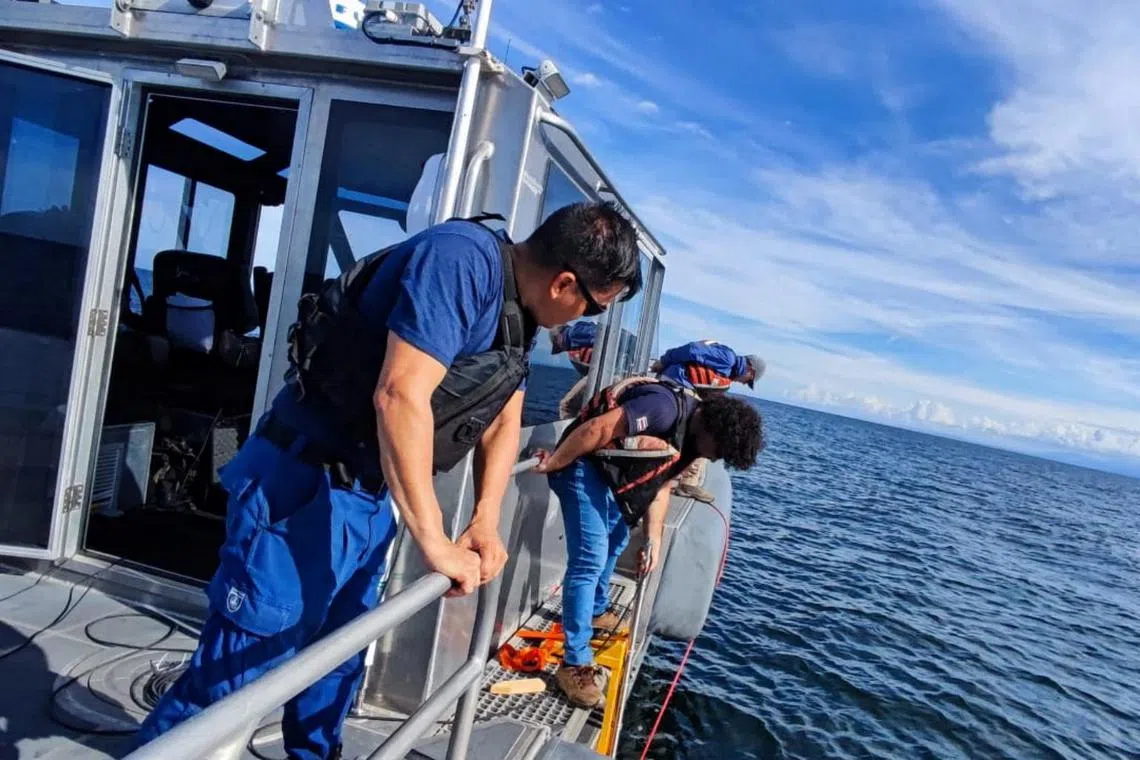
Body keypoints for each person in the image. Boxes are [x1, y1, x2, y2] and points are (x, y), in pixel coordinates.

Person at [131, 202, 642, 760]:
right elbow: (399, 395)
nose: (582, 320)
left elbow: (504, 412)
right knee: (237, 673)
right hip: (302, 488)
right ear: (565, 282)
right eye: (593, 305)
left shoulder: (520, 314)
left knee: (335, 664)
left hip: (368, 503)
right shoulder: (459, 262)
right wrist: (433, 543)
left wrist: (484, 519)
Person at [531, 376, 764, 708]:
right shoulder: (663, 408)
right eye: (719, 452)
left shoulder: (692, 440)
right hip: (580, 462)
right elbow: (597, 430)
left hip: (609, 471)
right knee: (589, 559)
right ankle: (574, 662)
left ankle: (596, 610)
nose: (714, 460)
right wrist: (554, 462)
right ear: (712, 431)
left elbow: (660, 486)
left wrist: (653, 540)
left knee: (617, 538)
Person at [651, 340, 765, 503]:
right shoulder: (728, 359)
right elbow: (692, 350)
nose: (743, 383)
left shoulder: (727, 373)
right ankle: (685, 483)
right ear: (750, 369)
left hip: (684, 393)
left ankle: (684, 480)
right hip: (677, 389)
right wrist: (664, 361)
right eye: (748, 380)